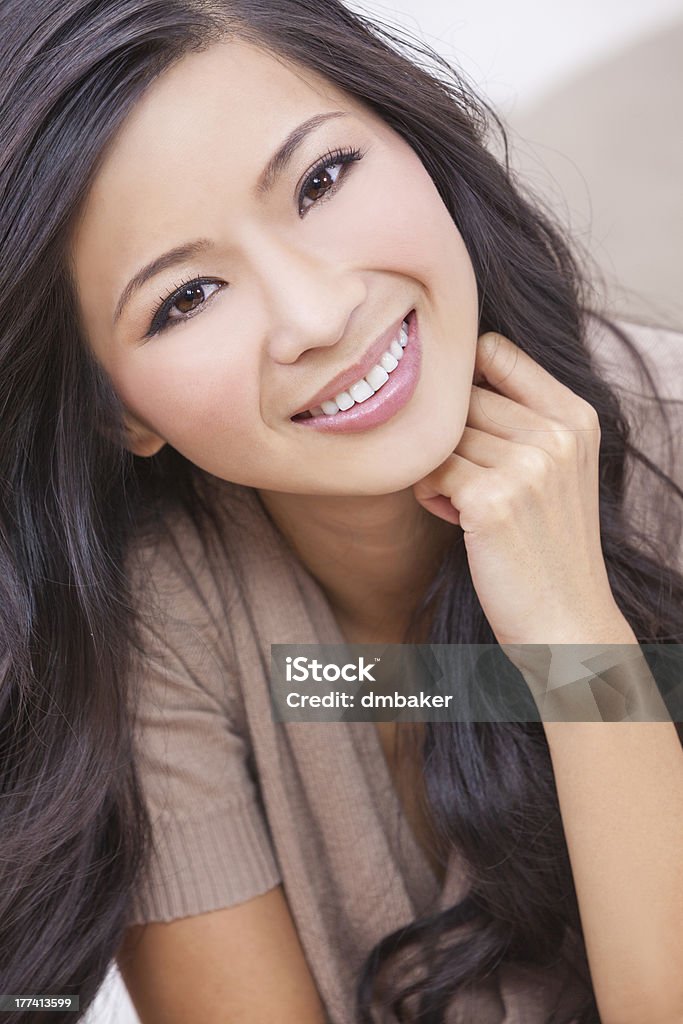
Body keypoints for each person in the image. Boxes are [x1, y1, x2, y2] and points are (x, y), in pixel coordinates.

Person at [1, 2, 681, 1023]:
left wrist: (571, 634)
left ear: (411, 132)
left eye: (320, 180)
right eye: (185, 297)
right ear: (115, 414)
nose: (316, 316)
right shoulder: (154, 625)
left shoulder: (667, 451)